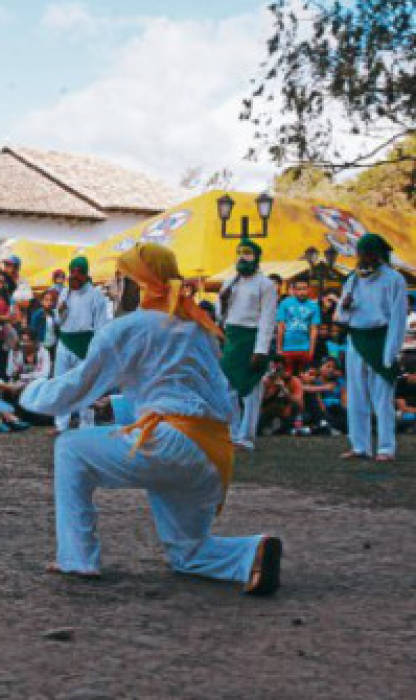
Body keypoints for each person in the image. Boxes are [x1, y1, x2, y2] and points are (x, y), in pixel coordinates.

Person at [20, 243, 282, 595]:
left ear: (136, 282)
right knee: (188, 553)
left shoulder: (129, 327)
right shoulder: (196, 325)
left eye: (119, 281)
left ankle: (77, 558)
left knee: (69, 447)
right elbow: (193, 394)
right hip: (210, 452)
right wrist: (113, 404)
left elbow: (75, 387)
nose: (113, 290)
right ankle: (252, 552)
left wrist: (29, 391)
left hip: (170, 443)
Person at [334, 234, 408, 461]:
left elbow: (398, 318)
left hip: (381, 339)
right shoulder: (353, 279)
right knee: (356, 396)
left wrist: (392, 351)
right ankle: (360, 446)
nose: (364, 259)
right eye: (361, 254)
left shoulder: (394, 279)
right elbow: (341, 315)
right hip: (356, 340)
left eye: (369, 254)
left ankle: (386, 448)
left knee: (382, 397)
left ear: (378, 255)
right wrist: (344, 306)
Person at [218, 239, 279, 451]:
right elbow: (222, 316)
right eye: (240, 253)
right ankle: (233, 434)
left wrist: (261, 350)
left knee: (252, 390)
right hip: (232, 338)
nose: (243, 257)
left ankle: (247, 438)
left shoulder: (266, 284)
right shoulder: (230, 282)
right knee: (228, 389)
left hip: (252, 339)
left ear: (256, 257)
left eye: (248, 253)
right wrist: (223, 301)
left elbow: (267, 319)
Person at [50, 256, 110, 433]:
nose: (75, 276)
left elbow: (101, 325)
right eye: (72, 272)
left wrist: (97, 348)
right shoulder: (64, 293)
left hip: (85, 343)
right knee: (61, 383)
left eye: (79, 273)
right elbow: (58, 321)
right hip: (65, 341)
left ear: (85, 274)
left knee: (85, 385)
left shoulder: (96, 295)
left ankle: (87, 425)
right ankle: (60, 425)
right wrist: (59, 313)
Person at [276, 278, 321, 375]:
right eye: (299, 289)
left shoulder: (314, 306)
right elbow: (281, 327)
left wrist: (311, 350)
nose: (302, 292)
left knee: (303, 377)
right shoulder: (285, 303)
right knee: (287, 377)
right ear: (294, 290)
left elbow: (314, 330)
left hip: (305, 348)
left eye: (304, 289)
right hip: (287, 347)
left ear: (309, 289)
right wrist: (279, 348)